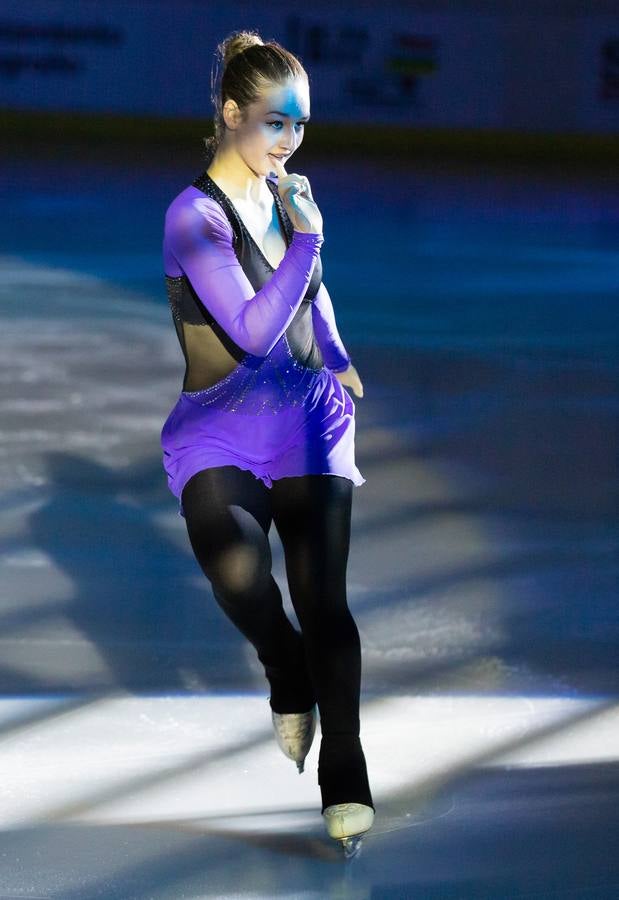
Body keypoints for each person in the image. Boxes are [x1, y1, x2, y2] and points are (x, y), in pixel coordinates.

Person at [160, 28, 374, 855]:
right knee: (240, 579)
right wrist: (309, 238)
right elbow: (252, 331)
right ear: (230, 114)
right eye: (274, 123)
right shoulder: (192, 215)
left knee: (325, 597)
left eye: (300, 125)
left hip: (306, 420)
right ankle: (285, 668)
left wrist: (344, 362)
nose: (287, 142)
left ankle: (345, 768)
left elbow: (313, 303)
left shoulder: (287, 194)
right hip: (217, 425)